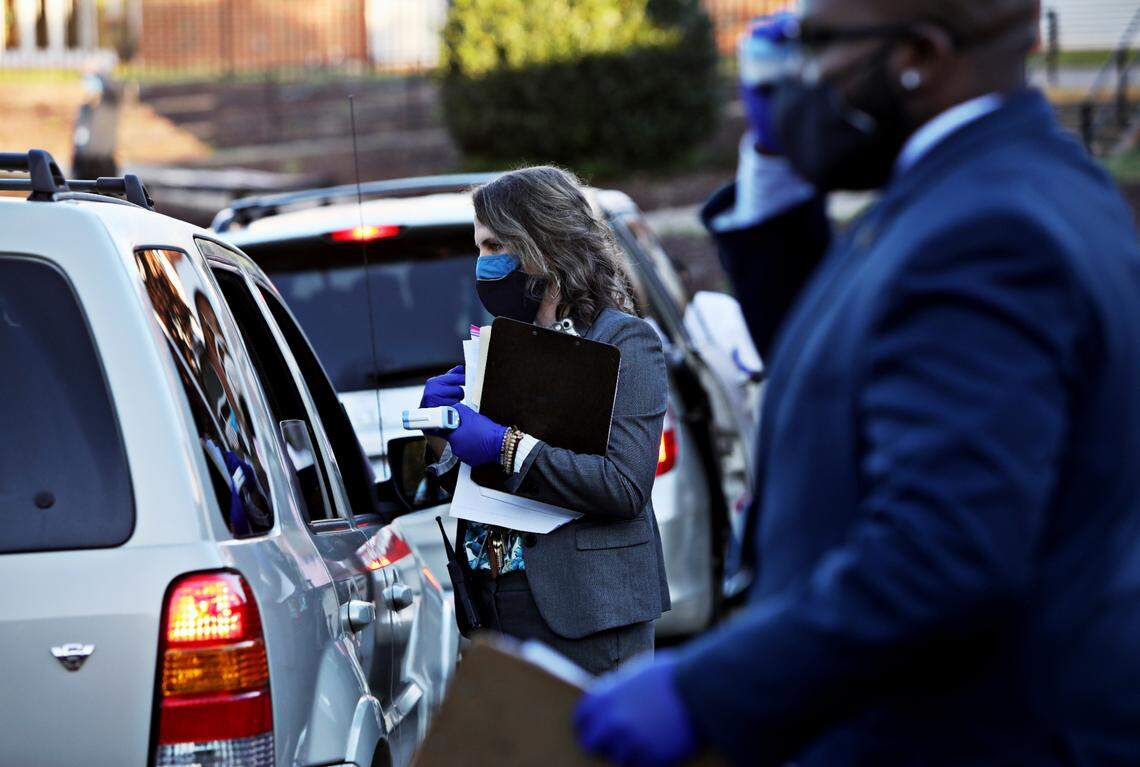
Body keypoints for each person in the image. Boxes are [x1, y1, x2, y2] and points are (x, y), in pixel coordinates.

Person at [574, 0, 1140, 765]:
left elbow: (942, 555)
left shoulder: (985, 235)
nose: (794, 73)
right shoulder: (1027, 181)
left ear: (920, 55)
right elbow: (843, 367)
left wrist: (705, 690)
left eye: (816, 44)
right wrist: (775, 169)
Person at [420, 166, 671, 674]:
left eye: (494, 247)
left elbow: (623, 486)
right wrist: (439, 436)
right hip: (494, 605)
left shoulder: (623, 341)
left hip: (586, 611)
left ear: (543, 244)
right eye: (479, 248)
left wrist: (504, 446)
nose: (482, 263)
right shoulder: (498, 344)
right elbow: (473, 487)